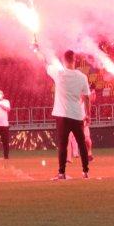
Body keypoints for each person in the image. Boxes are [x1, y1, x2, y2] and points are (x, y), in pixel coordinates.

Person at [34, 46, 90, 180]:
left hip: (62, 115)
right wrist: (87, 114)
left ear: (63, 61)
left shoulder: (59, 73)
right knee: (82, 144)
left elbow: (44, 62)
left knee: (62, 145)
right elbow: (87, 97)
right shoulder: (82, 77)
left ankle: (61, 173)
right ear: (74, 60)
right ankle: (85, 171)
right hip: (77, 115)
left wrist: (37, 50)